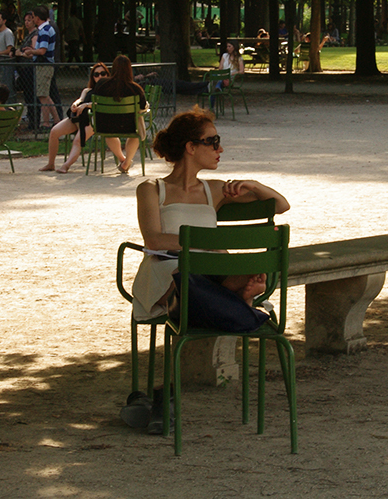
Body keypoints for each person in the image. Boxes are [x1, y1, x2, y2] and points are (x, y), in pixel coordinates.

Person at [121, 107, 289, 432]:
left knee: (227, 272)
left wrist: (252, 183)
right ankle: (244, 304)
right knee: (186, 276)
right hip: (168, 269)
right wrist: (206, 244)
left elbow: (280, 206)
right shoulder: (152, 189)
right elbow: (154, 238)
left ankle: (162, 395)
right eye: (213, 141)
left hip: (207, 273)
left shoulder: (215, 191)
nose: (220, 149)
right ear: (190, 147)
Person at [39, 62, 111, 173]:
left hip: (94, 120)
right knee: (54, 132)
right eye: (96, 74)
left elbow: (104, 104)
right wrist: (76, 104)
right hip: (79, 117)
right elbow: (80, 99)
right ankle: (50, 163)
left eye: (102, 73)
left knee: (77, 140)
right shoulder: (87, 90)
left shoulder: (109, 91)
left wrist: (87, 105)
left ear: (107, 74)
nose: (100, 76)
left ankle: (66, 166)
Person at [85, 55, 147, 174]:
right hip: (129, 125)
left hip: (104, 126)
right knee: (136, 133)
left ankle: (122, 159)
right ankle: (127, 161)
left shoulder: (102, 84)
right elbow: (143, 107)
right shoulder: (135, 88)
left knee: (109, 134)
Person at [23, 5, 60, 128]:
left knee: (43, 95)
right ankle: (56, 120)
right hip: (45, 65)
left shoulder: (44, 31)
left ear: (37, 18)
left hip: (44, 65)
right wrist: (33, 50)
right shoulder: (47, 29)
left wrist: (31, 51)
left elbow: (42, 51)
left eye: (33, 17)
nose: (32, 19)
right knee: (44, 95)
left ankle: (46, 123)